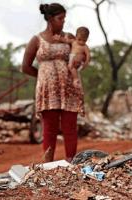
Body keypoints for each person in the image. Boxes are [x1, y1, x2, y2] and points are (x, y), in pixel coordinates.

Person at [21, 3, 85, 162]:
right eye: (60, 18)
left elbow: (80, 54)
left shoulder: (69, 38)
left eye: (64, 18)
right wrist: (43, 77)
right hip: (48, 91)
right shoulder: (36, 40)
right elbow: (25, 66)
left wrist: (79, 60)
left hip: (68, 88)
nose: (63, 21)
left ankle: (71, 162)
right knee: (50, 129)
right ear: (50, 19)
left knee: (70, 128)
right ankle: (47, 165)